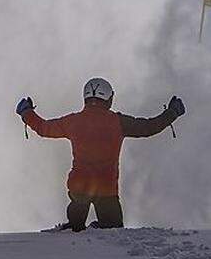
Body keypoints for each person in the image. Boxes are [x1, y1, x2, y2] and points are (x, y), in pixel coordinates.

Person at [16, 77, 185, 230]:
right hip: (107, 188)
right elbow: (149, 127)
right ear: (108, 98)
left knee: (75, 224)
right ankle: (94, 229)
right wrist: (172, 113)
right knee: (112, 231)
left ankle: (75, 227)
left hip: (79, 186)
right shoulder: (118, 122)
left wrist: (27, 113)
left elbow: (44, 128)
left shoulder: (73, 121)